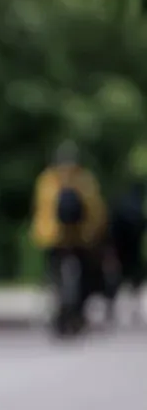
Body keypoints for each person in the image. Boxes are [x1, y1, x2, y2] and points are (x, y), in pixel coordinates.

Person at [31, 142, 109, 332]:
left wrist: (42, 234)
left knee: (55, 275)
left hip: (53, 238)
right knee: (85, 277)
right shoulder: (84, 179)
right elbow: (96, 211)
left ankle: (59, 308)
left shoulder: (47, 180)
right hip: (80, 238)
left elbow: (41, 211)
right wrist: (95, 234)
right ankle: (76, 314)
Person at [108, 175, 146, 323]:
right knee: (135, 278)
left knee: (117, 279)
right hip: (134, 249)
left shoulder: (121, 204)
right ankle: (134, 308)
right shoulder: (138, 207)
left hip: (119, 248)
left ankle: (113, 308)